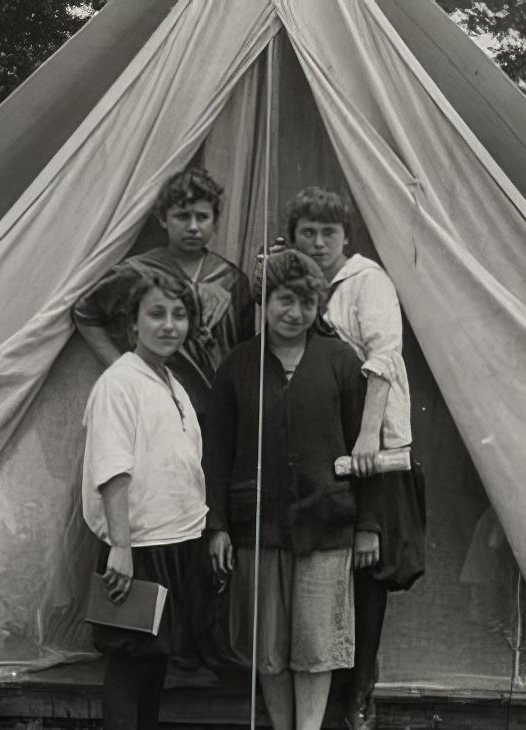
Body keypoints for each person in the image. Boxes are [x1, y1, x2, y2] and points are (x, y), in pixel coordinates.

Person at [204, 250, 379, 730]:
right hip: (257, 527)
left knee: (316, 647)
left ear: (317, 304)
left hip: (326, 527)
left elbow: (365, 450)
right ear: (265, 300)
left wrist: (367, 524)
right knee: (270, 648)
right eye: (284, 300)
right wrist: (217, 524)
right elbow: (216, 453)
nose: (294, 312)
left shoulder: (341, 363)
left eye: (306, 302)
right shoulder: (238, 366)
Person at [287, 187, 425, 729]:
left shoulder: (367, 283)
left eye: (328, 233)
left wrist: (368, 437)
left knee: (368, 567)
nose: (318, 243)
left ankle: (361, 690)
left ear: (347, 237)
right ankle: (328, 685)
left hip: (372, 445)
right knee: (324, 564)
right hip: (322, 443)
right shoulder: (296, 285)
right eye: (308, 232)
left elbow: (384, 357)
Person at [81, 270, 208, 730]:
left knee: (156, 664)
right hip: (136, 548)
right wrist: (121, 546)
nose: (168, 325)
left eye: (178, 315)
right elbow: (112, 467)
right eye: (156, 314)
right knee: (131, 665)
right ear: (133, 325)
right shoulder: (120, 384)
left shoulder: (171, 382)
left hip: (175, 542)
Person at [73, 167, 255, 420]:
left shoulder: (232, 280)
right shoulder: (137, 272)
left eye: (202, 217)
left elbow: (243, 349)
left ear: (215, 223)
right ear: (162, 219)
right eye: (182, 216)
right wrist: (119, 365)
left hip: (220, 412)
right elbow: (85, 312)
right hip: (157, 404)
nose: (193, 227)